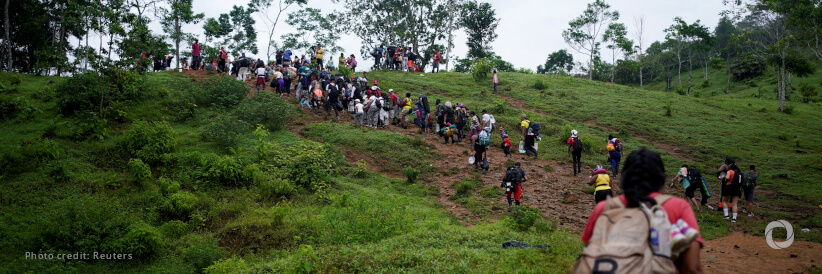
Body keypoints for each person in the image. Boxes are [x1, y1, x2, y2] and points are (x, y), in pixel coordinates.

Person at [579, 148, 703, 273]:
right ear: (661, 179)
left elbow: (590, 260)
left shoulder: (604, 208)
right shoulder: (678, 207)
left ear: (624, 179)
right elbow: (691, 267)